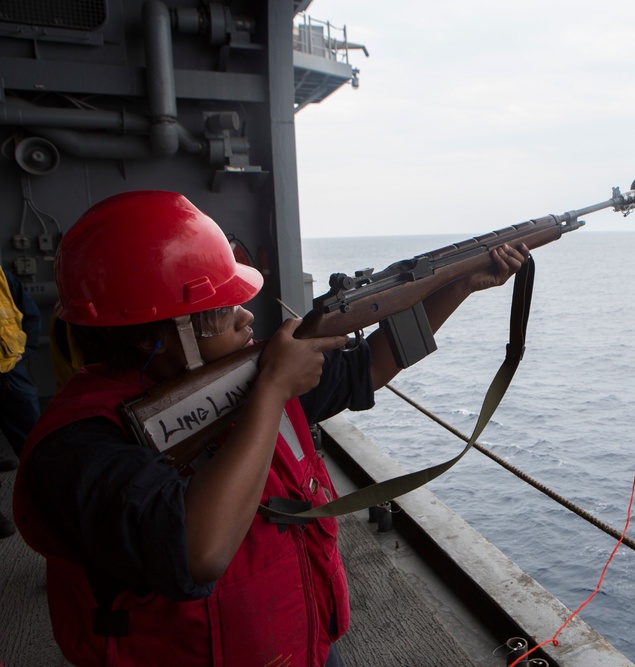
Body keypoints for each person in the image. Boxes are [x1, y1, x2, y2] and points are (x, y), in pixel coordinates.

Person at [12, 191, 527, 666]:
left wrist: (457, 285)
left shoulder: (245, 373)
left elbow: (369, 368)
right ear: (155, 335)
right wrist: (273, 391)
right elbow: (198, 554)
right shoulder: (76, 445)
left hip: (300, 640)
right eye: (217, 311)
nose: (245, 317)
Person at [0, 266, 41, 539]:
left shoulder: (1, 273)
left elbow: (27, 309)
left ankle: (46, 497)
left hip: (10, 369)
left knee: (34, 437)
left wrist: (24, 352)